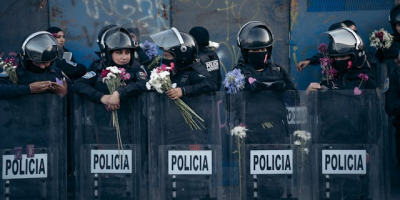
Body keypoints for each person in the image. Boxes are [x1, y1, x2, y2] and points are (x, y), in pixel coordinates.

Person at [306, 27, 378, 200]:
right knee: (329, 192)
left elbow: (373, 118)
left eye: (343, 57)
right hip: (329, 147)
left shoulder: (365, 82)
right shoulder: (327, 82)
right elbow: (314, 113)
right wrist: (310, 96)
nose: (339, 60)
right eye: (336, 57)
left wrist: (369, 149)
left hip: (357, 148)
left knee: (356, 193)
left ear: (355, 56)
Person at [232, 21, 297, 199]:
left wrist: (283, 88)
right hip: (251, 133)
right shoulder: (237, 73)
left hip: (276, 134)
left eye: (262, 51)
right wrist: (245, 89)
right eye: (254, 52)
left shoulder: (278, 71)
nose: (259, 54)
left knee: (277, 184)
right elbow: (227, 104)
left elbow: (295, 100)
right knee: (253, 184)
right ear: (245, 52)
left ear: (268, 51)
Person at [74, 26, 147, 110]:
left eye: (127, 53)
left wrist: (119, 93)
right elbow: (78, 85)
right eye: (119, 53)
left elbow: (143, 83)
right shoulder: (98, 67)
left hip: (132, 119)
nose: (124, 57)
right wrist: (102, 97)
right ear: (107, 54)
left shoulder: (135, 67)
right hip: (101, 119)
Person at [0, 31, 68, 99]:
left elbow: (75, 89)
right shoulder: (13, 73)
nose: (42, 66)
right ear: (26, 60)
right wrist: (29, 88)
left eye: (46, 63)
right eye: (38, 63)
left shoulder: (56, 72)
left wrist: (64, 92)